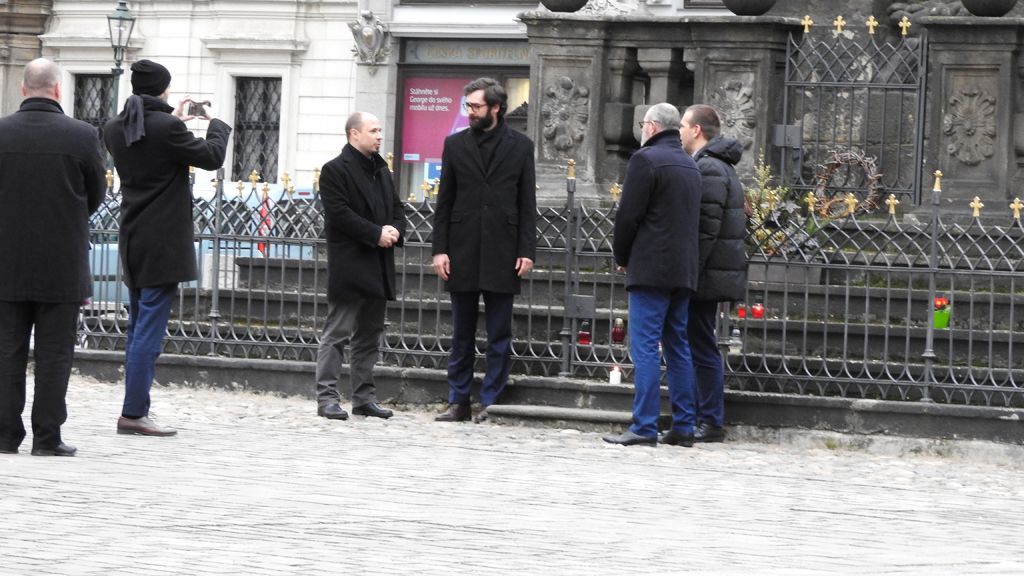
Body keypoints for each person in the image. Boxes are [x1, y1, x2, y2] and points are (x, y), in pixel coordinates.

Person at [103, 59, 231, 437]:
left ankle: (135, 406)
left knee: (137, 325)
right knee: (149, 331)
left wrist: (169, 116)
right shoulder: (168, 128)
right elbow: (211, 157)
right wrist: (216, 124)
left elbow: (149, 135)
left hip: (132, 236)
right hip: (163, 240)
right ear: (163, 89)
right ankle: (133, 412)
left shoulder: (114, 128)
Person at [0, 59, 106, 457]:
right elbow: (95, 196)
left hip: (5, 261)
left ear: (24, 89)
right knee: (55, 353)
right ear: (58, 90)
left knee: (6, 351)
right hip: (61, 263)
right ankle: (47, 437)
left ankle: (5, 435)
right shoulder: (81, 135)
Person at [431, 77, 537, 423]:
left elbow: (526, 202)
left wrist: (526, 250)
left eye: (475, 106)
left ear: (495, 108)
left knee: (499, 333)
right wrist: (440, 249)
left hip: (503, 249)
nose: (470, 112)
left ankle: (492, 400)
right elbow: (444, 201)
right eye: (468, 106)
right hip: (461, 249)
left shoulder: (521, 146)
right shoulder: (455, 144)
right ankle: (458, 400)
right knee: (461, 332)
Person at [603, 102, 702, 447]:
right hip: (683, 269)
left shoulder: (645, 160)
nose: (641, 129)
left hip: (650, 268)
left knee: (644, 346)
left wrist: (622, 255)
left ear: (653, 127)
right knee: (678, 346)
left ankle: (644, 425)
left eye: (643, 123)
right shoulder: (690, 165)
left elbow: (628, 215)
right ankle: (684, 425)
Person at [315, 112, 406, 420]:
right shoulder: (334, 170)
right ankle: (327, 397)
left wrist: (395, 229)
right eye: (373, 130)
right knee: (337, 333)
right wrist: (375, 233)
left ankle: (363, 398)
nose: (380, 135)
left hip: (379, 264)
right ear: (354, 134)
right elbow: (339, 214)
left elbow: (396, 207)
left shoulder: (382, 170)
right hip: (351, 263)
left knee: (369, 334)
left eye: (381, 130)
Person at [679, 104, 748, 443]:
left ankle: (708, 420)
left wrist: (689, 272)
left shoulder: (708, 167)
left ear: (696, 130)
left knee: (701, 345)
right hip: (709, 270)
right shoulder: (714, 165)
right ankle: (698, 415)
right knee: (698, 343)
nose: (678, 131)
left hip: (704, 272)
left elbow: (705, 229)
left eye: (682, 125)